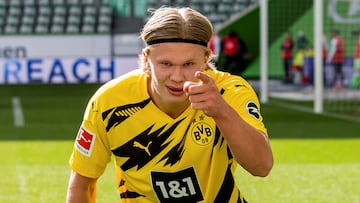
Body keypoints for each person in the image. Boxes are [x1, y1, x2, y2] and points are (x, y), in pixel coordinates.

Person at [66, 7, 273, 203]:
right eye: (166, 64)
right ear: (147, 59)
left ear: (206, 59)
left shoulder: (230, 92)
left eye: (189, 64)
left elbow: (261, 166)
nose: (177, 77)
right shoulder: (109, 102)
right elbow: (82, 182)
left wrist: (222, 112)